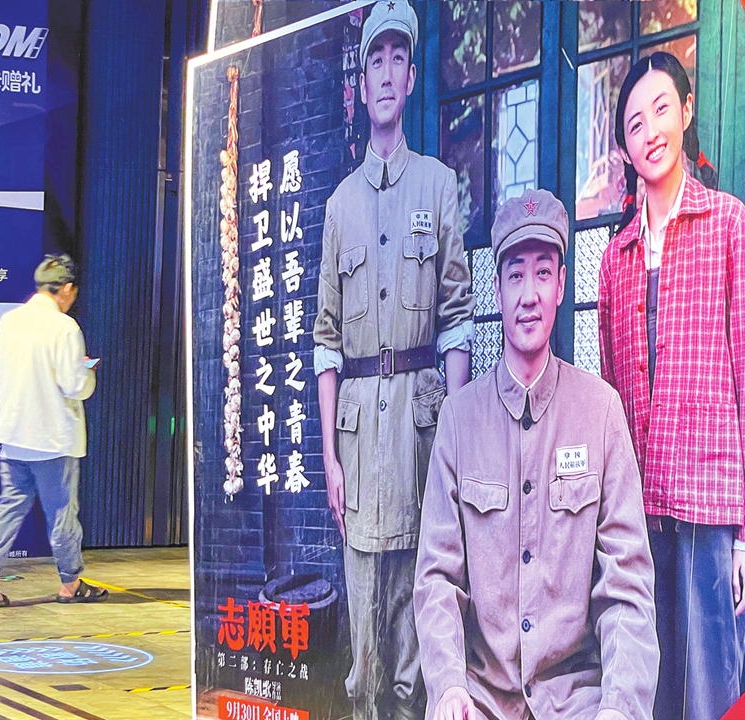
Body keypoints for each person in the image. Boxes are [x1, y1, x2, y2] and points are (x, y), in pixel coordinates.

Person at [414, 189, 658, 720]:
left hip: (578, 702)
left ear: (562, 286)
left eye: (543, 273)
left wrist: (619, 707)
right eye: (516, 275)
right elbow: (437, 580)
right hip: (480, 702)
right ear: (496, 289)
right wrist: (449, 686)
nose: (529, 294)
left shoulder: (601, 413)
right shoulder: (459, 422)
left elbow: (628, 591)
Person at [310, 3, 476, 717]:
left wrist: (455, 439)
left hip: (420, 433)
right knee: (364, 658)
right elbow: (322, 340)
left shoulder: (439, 187)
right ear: (363, 77)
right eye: (374, 60)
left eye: (397, 59)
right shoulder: (339, 206)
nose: (385, 73)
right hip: (356, 438)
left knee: (417, 636)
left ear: (411, 76)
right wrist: (329, 456)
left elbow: (458, 321)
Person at [597, 51, 745, 720]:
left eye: (661, 109)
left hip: (711, 515)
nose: (650, 131)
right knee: (651, 694)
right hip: (643, 517)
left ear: (687, 111)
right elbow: (611, 396)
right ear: (626, 146)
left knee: (711, 696)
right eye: (635, 123)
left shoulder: (729, 225)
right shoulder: (615, 258)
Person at [0, 254, 105, 609]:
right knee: (61, 512)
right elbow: (75, 385)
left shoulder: (10, 321)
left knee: (9, 507)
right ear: (67, 289)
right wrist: (89, 371)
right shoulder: (64, 328)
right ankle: (70, 583)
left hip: (14, 432)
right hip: (52, 437)